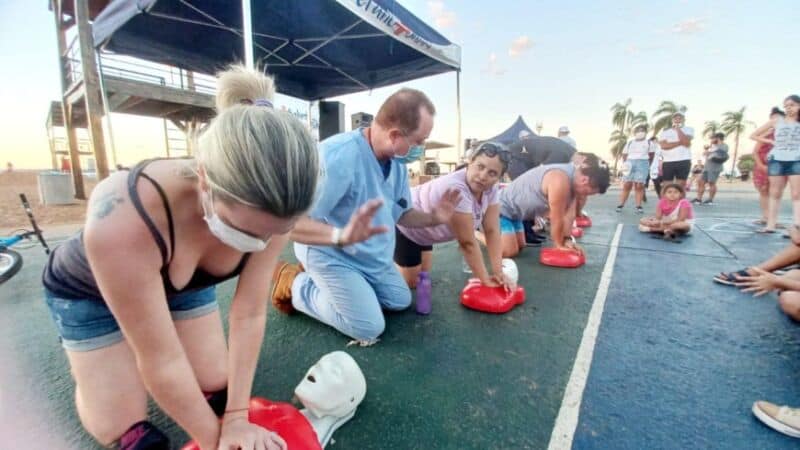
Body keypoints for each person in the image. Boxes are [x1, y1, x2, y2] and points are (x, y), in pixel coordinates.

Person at [40, 66, 321, 449]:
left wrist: (236, 417)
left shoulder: (278, 201)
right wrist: (214, 441)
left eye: (272, 233)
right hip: (89, 295)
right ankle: (95, 362)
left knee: (216, 383)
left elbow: (249, 313)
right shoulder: (120, 220)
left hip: (183, 284)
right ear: (205, 181)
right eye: (245, 230)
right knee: (122, 425)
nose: (259, 244)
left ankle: (125, 354)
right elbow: (162, 360)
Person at [271, 88, 460, 343]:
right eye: (419, 141)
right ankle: (295, 283)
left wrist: (434, 218)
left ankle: (351, 288)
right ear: (394, 135)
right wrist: (340, 236)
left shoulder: (397, 164)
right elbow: (290, 223)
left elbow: (402, 214)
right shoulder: (335, 157)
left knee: (400, 301)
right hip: (329, 254)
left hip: (369, 258)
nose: (421, 149)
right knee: (368, 328)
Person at [395, 141, 512, 289]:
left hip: (428, 232)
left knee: (423, 275)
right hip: (407, 224)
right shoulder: (456, 188)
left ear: (499, 177)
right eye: (480, 166)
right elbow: (467, 243)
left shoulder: (491, 188)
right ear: (470, 162)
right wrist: (485, 281)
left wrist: (498, 272)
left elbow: (492, 230)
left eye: (492, 173)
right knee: (411, 283)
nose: (483, 176)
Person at [498, 155, 610, 258]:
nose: (585, 196)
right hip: (499, 209)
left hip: (515, 215)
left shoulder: (573, 181)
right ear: (584, 180)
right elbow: (556, 217)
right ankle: (485, 236)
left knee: (521, 245)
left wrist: (567, 239)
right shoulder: (560, 180)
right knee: (510, 251)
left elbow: (569, 215)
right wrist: (558, 245)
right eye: (587, 193)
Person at [751, 95, 800, 234]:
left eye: (792, 105)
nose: (789, 108)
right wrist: (769, 141)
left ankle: (797, 225)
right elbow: (753, 135)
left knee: (796, 193)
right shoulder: (777, 121)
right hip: (777, 160)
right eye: (786, 106)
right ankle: (770, 225)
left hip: (796, 160)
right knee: (775, 193)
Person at [752, 108, 786, 226]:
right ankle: (765, 217)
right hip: (763, 166)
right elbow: (755, 152)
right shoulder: (765, 135)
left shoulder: (785, 136)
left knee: (776, 193)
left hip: (779, 167)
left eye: (777, 118)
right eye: (772, 118)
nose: (774, 121)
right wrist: (761, 165)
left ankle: (773, 219)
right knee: (763, 191)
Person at [616, 125, 656, 213]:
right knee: (627, 184)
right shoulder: (630, 143)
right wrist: (626, 164)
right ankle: (621, 205)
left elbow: (651, 155)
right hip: (629, 162)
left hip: (643, 163)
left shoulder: (649, 143)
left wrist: (646, 165)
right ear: (634, 133)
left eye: (642, 130)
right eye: (638, 130)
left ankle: (638, 206)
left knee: (639, 185)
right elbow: (624, 154)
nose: (640, 132)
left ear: (646, 132)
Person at [658, 111, 694, 188]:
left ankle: (681, 197)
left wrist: (678, 129)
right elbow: (664, 146)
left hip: (684, 160)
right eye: (675, 118)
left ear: (684, 120)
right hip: (668, 161)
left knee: (680, 186)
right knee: (667, 185)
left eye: (680, 118)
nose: (677, 120)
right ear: (672, 120)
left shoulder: (689, 129)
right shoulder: (665, 132)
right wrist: (680, 143)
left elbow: (686, 143)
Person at [693, 132, 729, 205]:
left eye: (712, 138)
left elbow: (719, 154)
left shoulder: (724, 146)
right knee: (700, 182)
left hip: (714, 168)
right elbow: (710, 154)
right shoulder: (713, 146)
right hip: (707, 167)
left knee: (712, 183)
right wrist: (708, 152)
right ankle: (698, 199)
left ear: (717, 138)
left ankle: (710, 200)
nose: (711, 140)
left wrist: (709, 153)